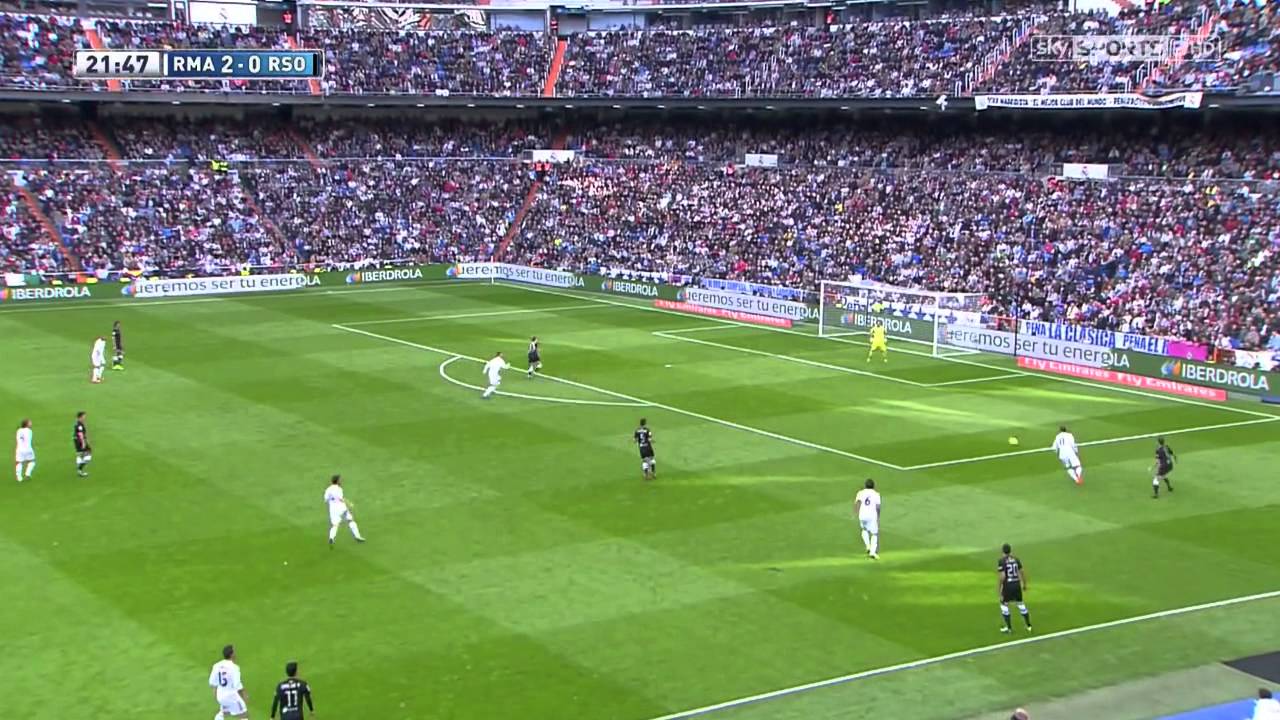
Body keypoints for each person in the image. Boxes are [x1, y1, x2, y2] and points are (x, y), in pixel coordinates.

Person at [997, 543, 1032, 633]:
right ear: (1010, 550)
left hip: (1008, 586)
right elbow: (1022, 572)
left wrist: (999, 587)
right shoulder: (1016, 559)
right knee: (1020, 604)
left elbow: (1002, 576)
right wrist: (1024, 584)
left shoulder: (1001, 561)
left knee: (1004, 604)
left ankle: (1009, 628)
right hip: (1017, 584)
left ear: (1002, 551)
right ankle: (1028, 626)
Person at [209, 644, 249, 720]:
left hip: (220, 695)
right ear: (232, 654)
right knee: (244, 714)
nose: (236, 653)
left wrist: (215, 694)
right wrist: (244, 694)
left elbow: (212, 682)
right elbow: (237, 685)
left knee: (224, 712)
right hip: (231, 696)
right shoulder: (234, 668)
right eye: (234, 652)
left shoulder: (217, 665)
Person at [324, 474, 366, 546]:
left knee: (335, 525)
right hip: (341, 508)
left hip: (333, 509)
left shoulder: (328, 489)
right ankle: (357, 536)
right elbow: (341, 498)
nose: (341, 481)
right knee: (350, 520)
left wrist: (332, 501)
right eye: (340, 480)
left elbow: (326, 499)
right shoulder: (339, 489)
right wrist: (349, 503)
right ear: (337, 481)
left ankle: (331, 538)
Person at [854, 478, 881, 559]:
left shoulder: (860, 492)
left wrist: (856, 512)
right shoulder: (876, 494)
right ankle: (872, 552)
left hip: (862, 515)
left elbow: (857, 502)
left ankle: (868, 546)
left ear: (865, 485)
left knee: (864, 530)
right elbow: (878, 507)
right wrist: (878, 517)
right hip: (871, 516)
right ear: (873, 486)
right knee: (874, 534)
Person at [14, 418, 35, 483]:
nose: (31, 424)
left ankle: (19, 477)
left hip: (19, 449)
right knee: (32, 461)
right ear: (26, 424)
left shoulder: (18, 431)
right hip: (28, 449)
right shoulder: (30, 431)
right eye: (30, 423)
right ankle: (28, 473)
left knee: (18, 462)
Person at [74, 411, 92, 477]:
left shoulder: (78, 423)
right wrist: (83, 443)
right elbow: (80, 434)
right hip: (80, 442)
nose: (85, 417)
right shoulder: (79, 425)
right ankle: (80, 469)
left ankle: (79, 464)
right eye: (84, 416)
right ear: (80, 417)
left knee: (82, 454)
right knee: (88, 454)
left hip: (77, 441)